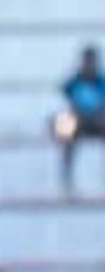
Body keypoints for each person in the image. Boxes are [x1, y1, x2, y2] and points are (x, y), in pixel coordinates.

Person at [54, 43, 105, 196]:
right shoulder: (75, 81)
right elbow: (64, 91)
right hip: (79, 121)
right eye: (86, 60)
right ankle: (66, 179)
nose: (89, 64)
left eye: (91, 61)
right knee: (65, 122)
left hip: (98, 122)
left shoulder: (101, 81)